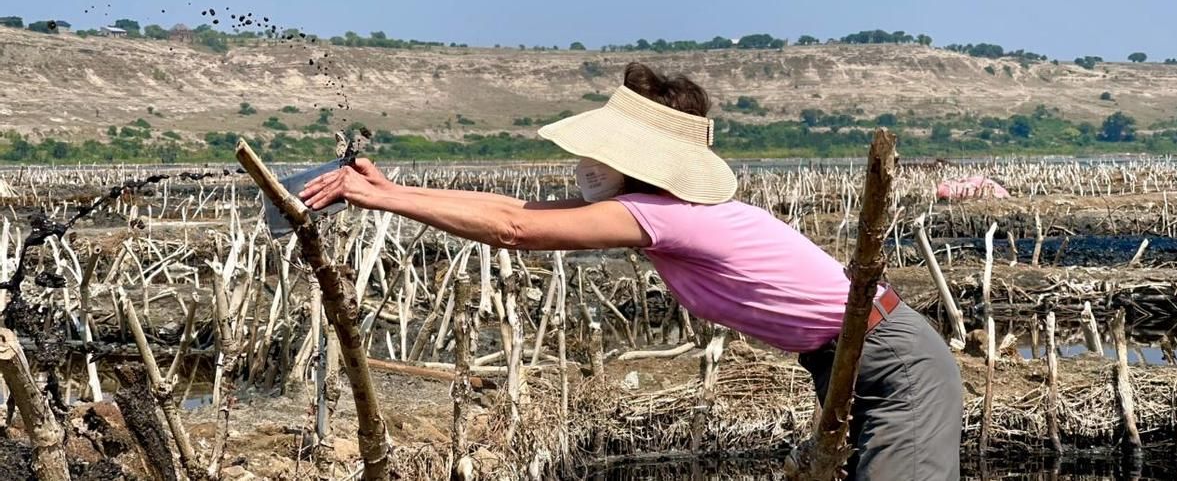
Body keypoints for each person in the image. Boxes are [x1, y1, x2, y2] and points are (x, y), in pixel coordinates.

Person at [298, 62, 963, 480]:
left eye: (602, 152)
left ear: (639, 163)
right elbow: (513, 208)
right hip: (843, 358)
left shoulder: (666, 216)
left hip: (893, 361)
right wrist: (397, 188)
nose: (585, 163)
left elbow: (515, 230)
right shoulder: (653, 211)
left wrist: (375, 197)